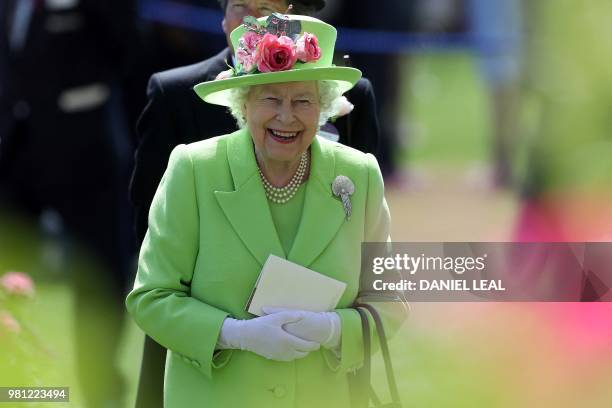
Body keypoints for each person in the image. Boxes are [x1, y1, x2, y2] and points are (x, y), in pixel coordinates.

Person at [126, 14, 406, 407]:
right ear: (244, 105)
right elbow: (151, 298)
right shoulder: (194, 170)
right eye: (271, 99)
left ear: (323, 107)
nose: (286, 116)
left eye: (303, 100)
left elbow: (389, 300)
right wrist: (234, 334)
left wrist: (332, 329)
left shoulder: (358, 175)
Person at [0, 1, 138, 406]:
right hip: (15, 149)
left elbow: (130, 46)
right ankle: (19, 387)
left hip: (86, 147)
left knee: (100, 276)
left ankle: (101, 394)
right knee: (8, 274)